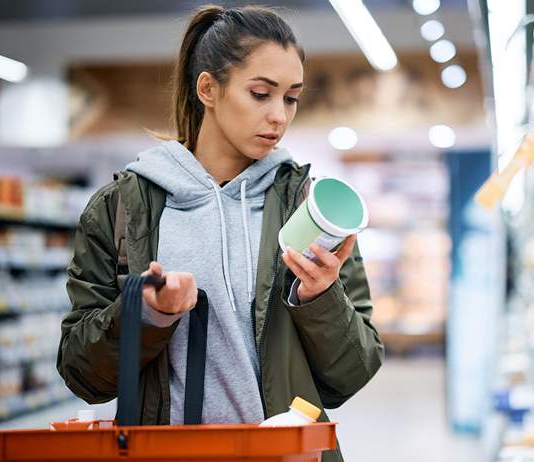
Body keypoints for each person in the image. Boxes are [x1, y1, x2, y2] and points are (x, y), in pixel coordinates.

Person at [56, 5, 384, 461]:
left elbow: (353, 373)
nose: (279, 116)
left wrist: (320, 298)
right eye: (260, 93)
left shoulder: (307, 210)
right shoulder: (120, 210)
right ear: (208, 88)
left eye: (290, 97)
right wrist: (150, 315)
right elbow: (81, 373)